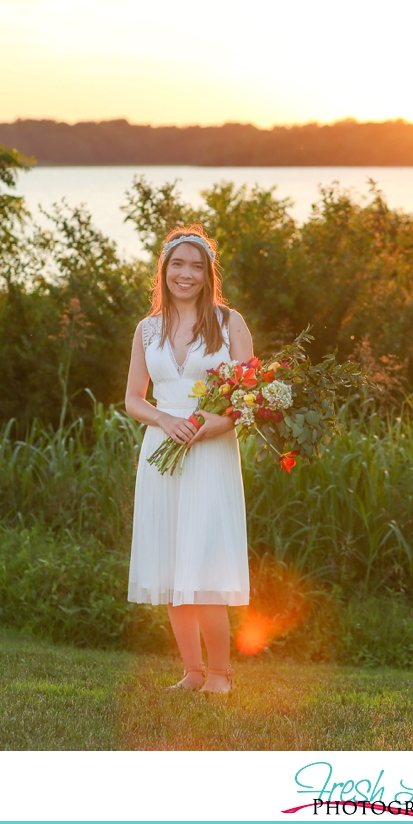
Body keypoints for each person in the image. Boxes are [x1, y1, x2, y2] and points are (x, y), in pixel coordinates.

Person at [124, 225, 254, 695]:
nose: (186, 274)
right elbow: (133, 399)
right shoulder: (147, 329)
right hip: (161, 452)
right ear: (164, 270)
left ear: (208, 274)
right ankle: (192, 672)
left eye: (196, 266)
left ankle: (220, 675)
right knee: (169, 560)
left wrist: (201, 427)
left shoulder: (229, 323)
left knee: (203, 562)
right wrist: (164, 420)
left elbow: (245, 401)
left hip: (210, 451)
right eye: (178, 264)